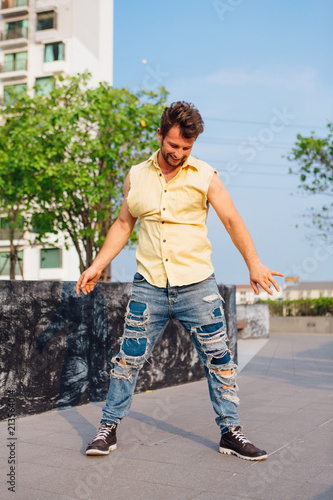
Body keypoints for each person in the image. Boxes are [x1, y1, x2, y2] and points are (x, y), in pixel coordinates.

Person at [76, 101, 284, 461]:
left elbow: (232, 220)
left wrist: (254, 263)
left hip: (197, 287)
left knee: (220, 361)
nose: (179, 154)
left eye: (187, 148)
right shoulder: (136, 175)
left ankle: (230, 432)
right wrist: (97, 265)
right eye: (173, 146)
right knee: (127, 360)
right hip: (149, 287)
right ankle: (107, 429)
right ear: (159, 135)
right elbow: (124, 224)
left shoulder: (204, 175)